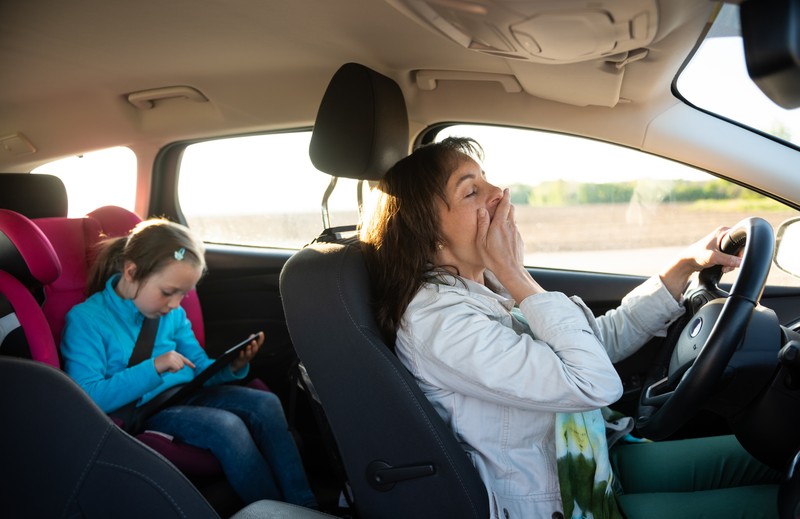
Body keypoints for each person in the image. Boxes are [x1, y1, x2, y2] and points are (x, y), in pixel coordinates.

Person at [360, 137, 782, 519]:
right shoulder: (440, 322)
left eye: (487, 180)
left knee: (774, 456)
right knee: (774, 505)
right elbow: (593, 381)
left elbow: (596, 342)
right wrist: (515, 273)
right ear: (427, 233)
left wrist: (685, 265)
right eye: (472, 190)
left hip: (593, 462)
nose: (499, 194)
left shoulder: (479, 289)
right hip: (560, 498)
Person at [61, 218, 318, 509]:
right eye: (168, 292)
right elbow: (88, 397)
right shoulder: (87, 321)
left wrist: (230, 367)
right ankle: (274, 512)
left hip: (188, 393)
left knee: (266, 404)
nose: (175, 304)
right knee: (227, 426)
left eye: (184, 294)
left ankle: (305, 506)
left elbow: (199, 369)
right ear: (131, 272)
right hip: (146, 409)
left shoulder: (172, 315)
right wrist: (154, 367)